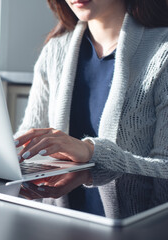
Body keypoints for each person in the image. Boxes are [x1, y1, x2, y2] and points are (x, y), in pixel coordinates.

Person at [14, 0, 168, 178]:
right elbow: (28, 138)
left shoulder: (162, 53)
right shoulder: (54, 51)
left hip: (137, 207)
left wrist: (91, 151)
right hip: (51, 205)